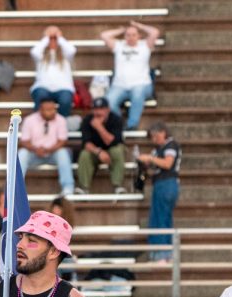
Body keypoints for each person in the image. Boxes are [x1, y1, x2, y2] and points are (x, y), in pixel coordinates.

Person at [99, 20, 160, 130]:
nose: (131, 37)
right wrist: (121, 30)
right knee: (109, 101)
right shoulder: (119, 46)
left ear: (139, 36)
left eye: (133, 35)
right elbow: (104, 35)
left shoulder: (145, 46)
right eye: (128, 35)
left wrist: (139, 26)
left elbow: (155, 32)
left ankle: (132, 124)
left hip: (141, 84)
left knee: (137, 94)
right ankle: (119, 123)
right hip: (119, 85)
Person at [137, 121, 181, 262]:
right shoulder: (158, 149)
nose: (154, 140)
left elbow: (167, 163)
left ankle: (163, 255)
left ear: (163, 132)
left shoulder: (171, 145)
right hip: (160, 184)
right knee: (159, 218)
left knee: (162, 218)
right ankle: (163, 253)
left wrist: (150, 158)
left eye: (156, 136)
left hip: (167, 184)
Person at [17, 97, 75, 196]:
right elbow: (24, 141)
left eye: (53, 109)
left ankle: (68, 187)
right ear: (40, 109)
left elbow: (62, 140)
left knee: (63, 153)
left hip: (53, 153)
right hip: (34, 154)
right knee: (22, 154)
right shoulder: (30, 120)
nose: (52, 112)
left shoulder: (60, 120)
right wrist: (36, 149)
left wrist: (49, 149)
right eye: (48, 110)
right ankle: (16, 188)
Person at [77, 97, 127, 194]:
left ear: (107, 109)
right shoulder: (87, 120)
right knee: (84, 154)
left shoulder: (116, 119)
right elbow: (86, 143)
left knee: (117, 151)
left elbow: (112, 141)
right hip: (95, 151)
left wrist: (99, 127)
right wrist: (99, 152)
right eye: (96, 109)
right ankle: (84, 187)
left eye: (101, 109)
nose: (98, 112)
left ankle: (117, 185)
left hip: (112, 149)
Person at [30, 26, 76, 118]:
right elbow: (34, 52)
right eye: (50, 38)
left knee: (65, 100)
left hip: (63, 88)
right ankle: (39, 124)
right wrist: (47, 38)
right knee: (40, 96)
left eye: (55, 38)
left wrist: (59, 38)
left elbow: (72, 50)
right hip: (43, 87)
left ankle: (61, 124)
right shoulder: (41, 56)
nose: (53, 41)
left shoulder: (65, 56)